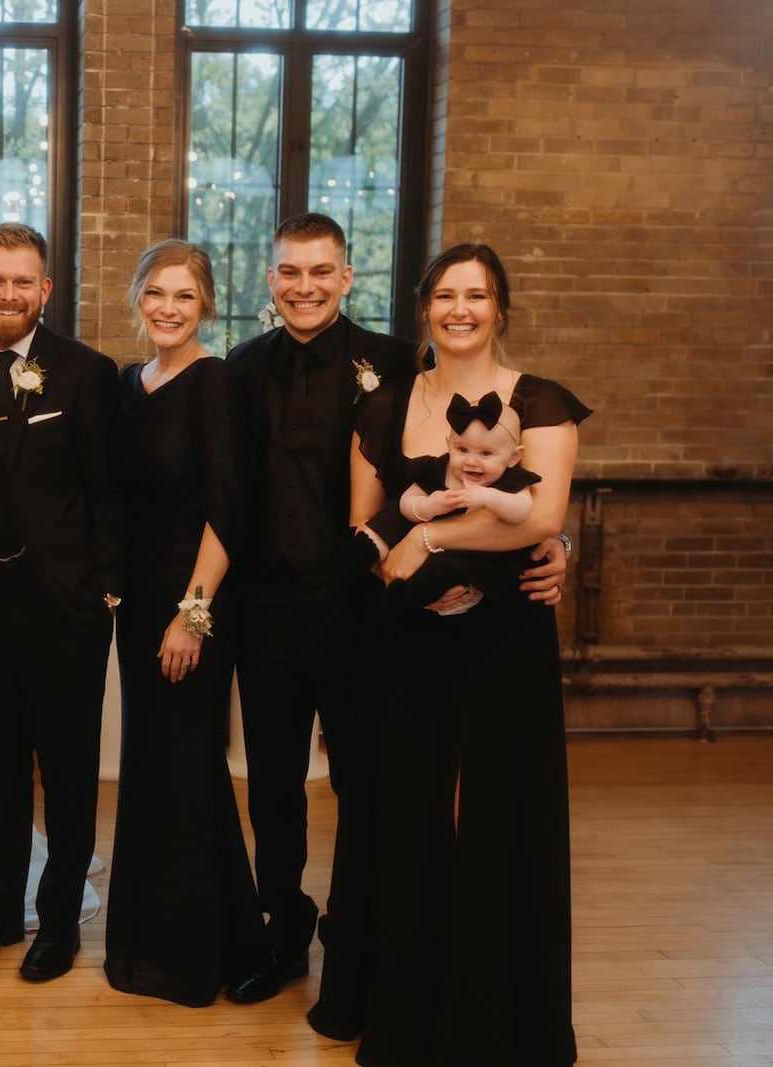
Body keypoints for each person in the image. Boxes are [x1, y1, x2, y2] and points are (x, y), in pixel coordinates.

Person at [223, 213, 570, 1030]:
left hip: (364, 617)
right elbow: (228, 483)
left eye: (322, 271)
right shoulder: (242, 367)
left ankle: (358, 940)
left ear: (348, 278)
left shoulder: (384, 363)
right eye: (289, 271)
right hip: (275, 611)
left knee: (375, 793)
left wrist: (554, 541)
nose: (305, 286)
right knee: (274, 789)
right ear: (271, 280)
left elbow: (519, 485)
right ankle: (284, 934)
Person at [349, 243, 587, 1067]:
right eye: (445, 295)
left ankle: (504, 1020)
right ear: (424, 307)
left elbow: (540, 516)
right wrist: (401, 560)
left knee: (505, 813)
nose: (460, 309)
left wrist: (428, 536)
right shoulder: (384, 405)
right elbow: (361, 524)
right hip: (409, 633)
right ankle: (407, 1017)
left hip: (507, 634)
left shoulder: (543, 403)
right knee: (410, 813)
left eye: (477, 295)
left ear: (500, 308)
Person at [0, 222, 125, 983]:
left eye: (22, 281)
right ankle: (4, 911)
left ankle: (60, 921)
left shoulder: (87, 372)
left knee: (70, 774)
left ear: (44, 290)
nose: (8, 294)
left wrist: (104, 591)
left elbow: (108, 491)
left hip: (66, 609)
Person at [101, 240, 272, 1007]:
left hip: (192, 604)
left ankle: (194, 954)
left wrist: (193, 614)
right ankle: (155, 940)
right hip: (139, 607)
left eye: (185, 296)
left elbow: (229, 508)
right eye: (157, 294)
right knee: (152, 768)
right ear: (137, 298)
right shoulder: (130, 384)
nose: (169, 308)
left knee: (187, 766)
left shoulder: (214, 381)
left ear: (205, 304)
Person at [386, 391, 541, 608]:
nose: (471, 461)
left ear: (513, 457)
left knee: (445, 572)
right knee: (429, 570)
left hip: (482, 560)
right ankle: (404, 596)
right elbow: (406, 502)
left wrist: (488, 497)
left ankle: (408, 597)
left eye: (486, 453)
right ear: (449, 446)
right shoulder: (439, 471)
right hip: (435, 554)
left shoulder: (512, 479)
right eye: (462, 450)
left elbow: (522, 511)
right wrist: (426, 506)